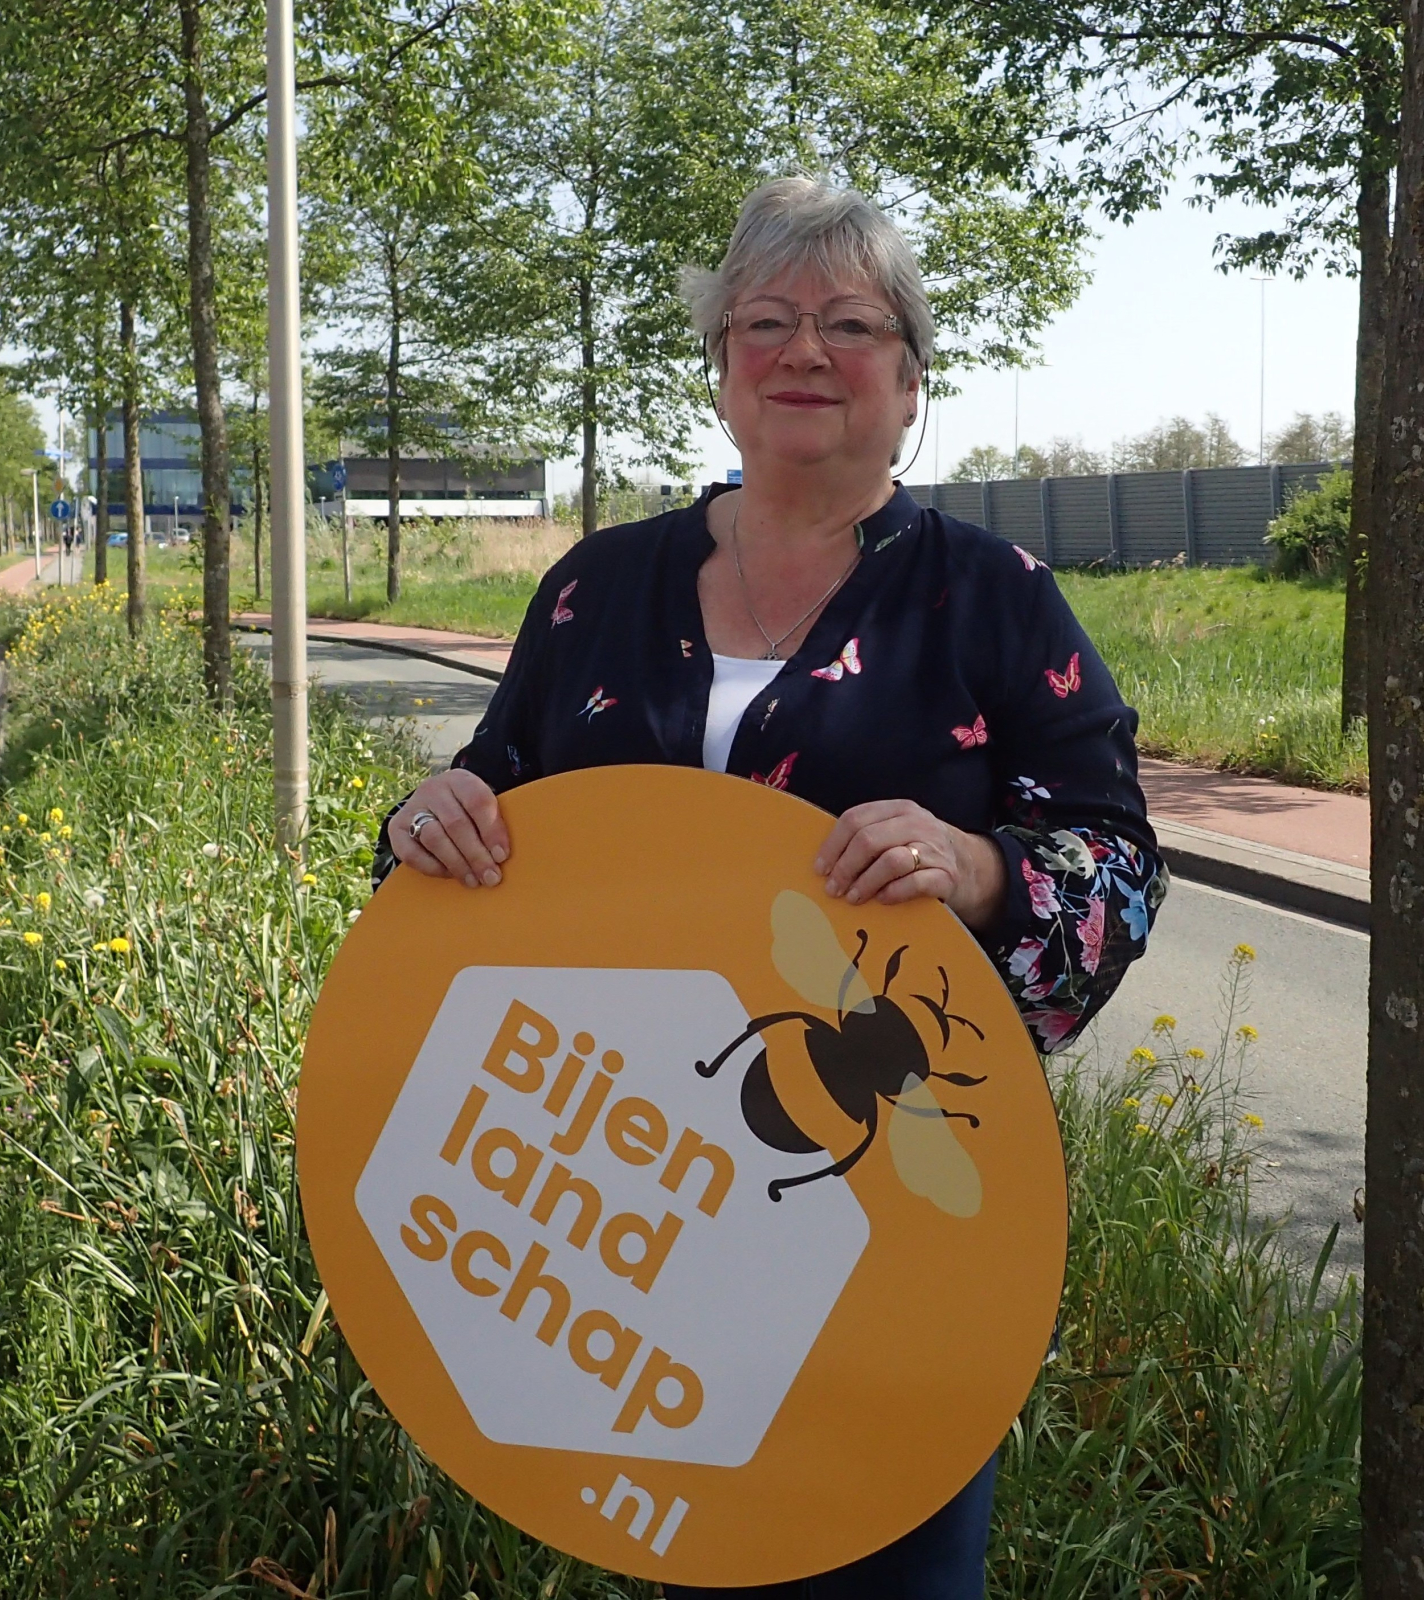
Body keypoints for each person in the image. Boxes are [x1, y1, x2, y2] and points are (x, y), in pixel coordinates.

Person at [376, 176, 1165, 1599]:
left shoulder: (994, 596)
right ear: (722, 373)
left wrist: (980, 867)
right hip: (609, 1188)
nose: (807, 350)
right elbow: (495, 791)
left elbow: (1116, 861)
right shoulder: (596, 585)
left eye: (853, 323)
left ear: (912, 381)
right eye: (768, 320)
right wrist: (428, 818)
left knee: (876, 1551)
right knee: (671, 1542)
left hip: (885, 1237)